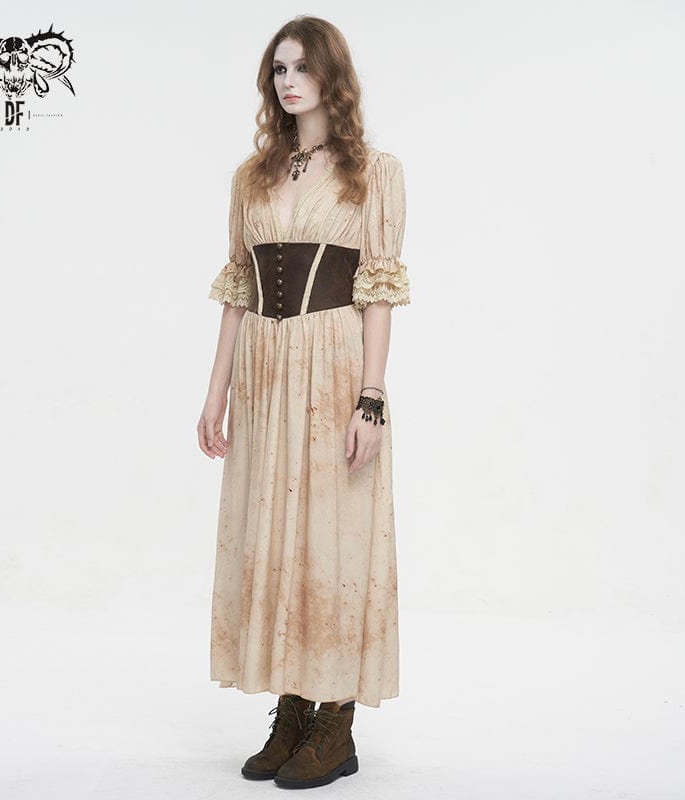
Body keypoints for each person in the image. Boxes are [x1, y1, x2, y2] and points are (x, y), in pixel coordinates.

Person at [197, 15, 411, 790]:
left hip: (332, 365)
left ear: (330, 75)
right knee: (276, 535)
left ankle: (337, 721)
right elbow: (238, 287)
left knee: (335, 537)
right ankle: (291, 710)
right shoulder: (251, 176)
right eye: (278, 69)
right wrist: (216, 393)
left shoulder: (374, 172)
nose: (289, 81)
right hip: (264, 371)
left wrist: (371, 396)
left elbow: (378, 288)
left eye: (302, 67)